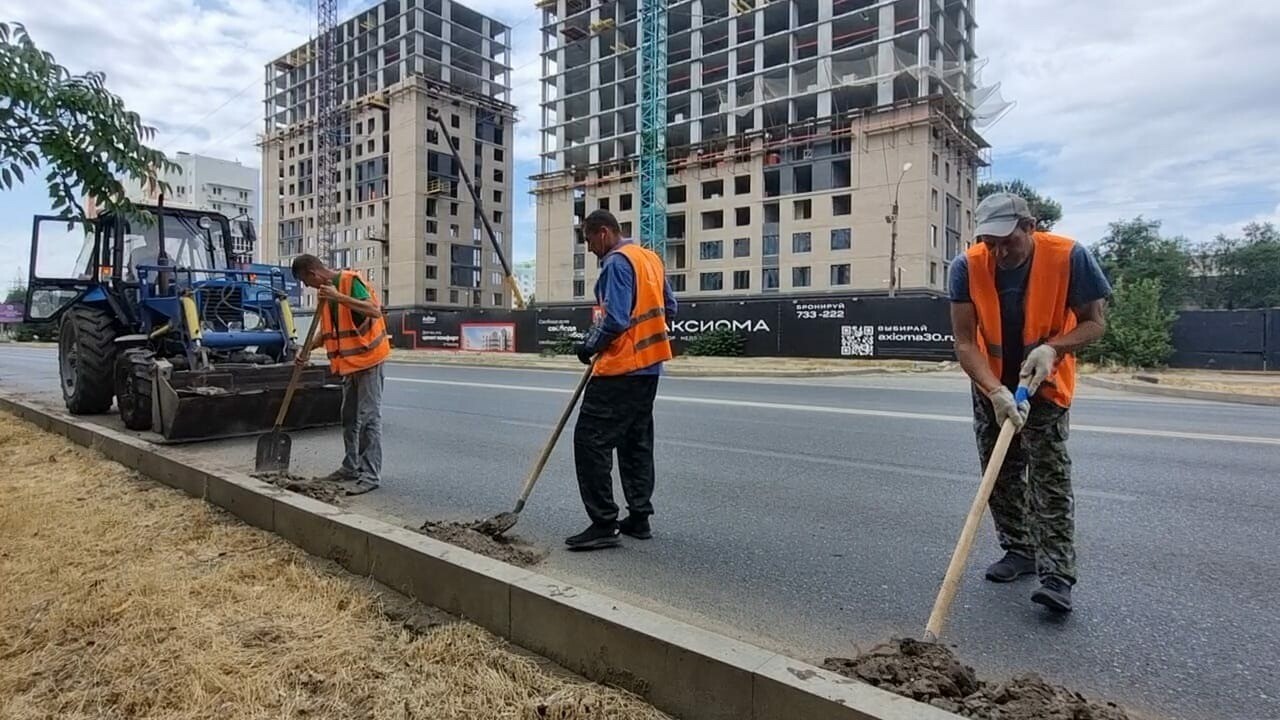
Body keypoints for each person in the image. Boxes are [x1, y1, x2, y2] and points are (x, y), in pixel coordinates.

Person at [948, 193, 1111, 613]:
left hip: (1045, 382)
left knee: (1049, 477)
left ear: (1030, 227)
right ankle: (1019, 550)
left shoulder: (1071, 257)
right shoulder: (966, 266)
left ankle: (1057, 576)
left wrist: (1053, 348)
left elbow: (1095, 323)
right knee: (998, 472)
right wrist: (996, 392)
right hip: (992, 385)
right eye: (990, 242)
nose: (999, 252)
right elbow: (965, 343)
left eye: (1008, 241)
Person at [567, 209, 677, 551]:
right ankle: (639, 517)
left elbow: (614, 319)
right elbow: (670, 308)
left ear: (603, 233)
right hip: (650, 369)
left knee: (590, 441)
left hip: (620, 370)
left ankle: (603, 522)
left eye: (588, 239)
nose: (589, 248)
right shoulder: (650, 259)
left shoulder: (616, 262)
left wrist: (590, 345)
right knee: (635, 442)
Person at [292, 254, 390, 495]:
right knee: (348, 418)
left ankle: (370, 475)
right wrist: (306, 350)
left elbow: (374, 311)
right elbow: (329, 332)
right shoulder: (325, 294)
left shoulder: (348, 282)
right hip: (350, 365)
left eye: (306, 281)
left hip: (369, 360)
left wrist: (339, 297)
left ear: (312, 273)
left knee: (369, 418)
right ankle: (351, 467)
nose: (307, 287)